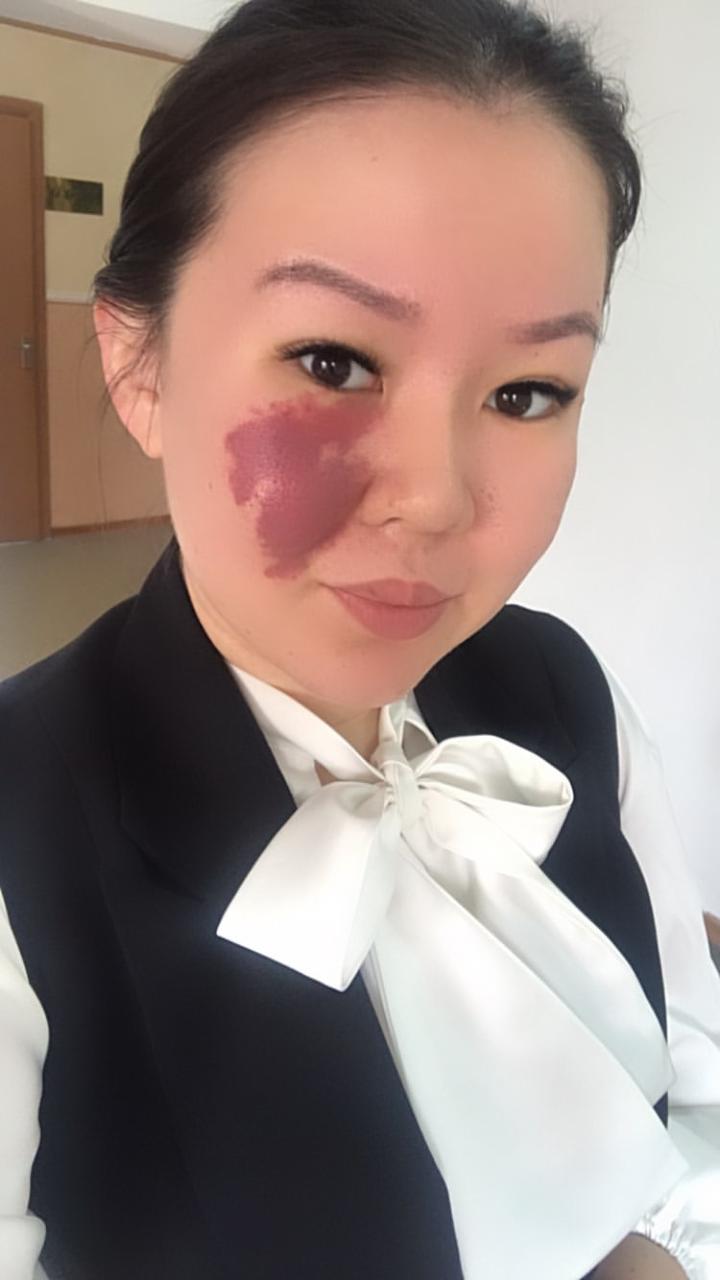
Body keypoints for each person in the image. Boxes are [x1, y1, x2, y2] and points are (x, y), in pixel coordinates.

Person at [1, 0, 719, 1276]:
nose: (436, 500)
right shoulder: (23, 831)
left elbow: (696, 1093)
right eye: (333, 361)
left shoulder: (568, 694)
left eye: (527, 392)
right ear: (138, 364)